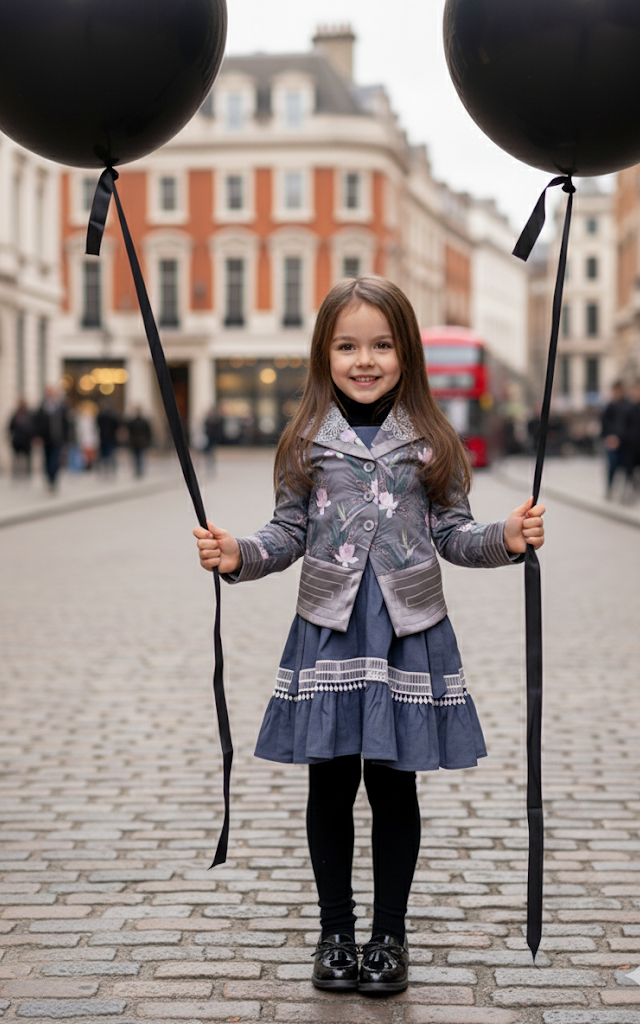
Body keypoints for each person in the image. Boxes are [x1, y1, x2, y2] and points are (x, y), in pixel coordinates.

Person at [193, 277, 545, 996]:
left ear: (405, 352)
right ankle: (334, 933)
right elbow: (287, 533)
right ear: (323, 354)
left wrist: (505, 538)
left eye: (381, 345)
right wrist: (239, 555)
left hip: (408, 633)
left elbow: (452, 534)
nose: (365, 359)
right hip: (328, 630)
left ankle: (388, 935)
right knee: (329, 786)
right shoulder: (304, 442)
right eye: (347, 345)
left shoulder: (431, 440)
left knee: (394, 787)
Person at [34, 385, 70, 492]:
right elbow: (37, 423)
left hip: (58, 439)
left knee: (55, 460)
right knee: (47, 459)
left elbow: (66, 424)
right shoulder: (42, 407)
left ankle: (54, 479)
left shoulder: (60, 407)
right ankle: (49, 478)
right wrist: (37, 436)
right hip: (46, 439)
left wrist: (66, 438)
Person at [601, 381, 630, 499]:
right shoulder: (609, 406)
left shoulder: (628, 405)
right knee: (612, 466)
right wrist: (609, 437)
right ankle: (610, 488)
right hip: (612, 442)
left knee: (626, 467)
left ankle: (625, 491)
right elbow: (605, 424)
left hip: (625, 443)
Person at [7, 397, 34, 477]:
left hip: (27, 440)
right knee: (16, 458)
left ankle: (28, 473)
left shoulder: (29, 414)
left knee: (28, 457)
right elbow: (10, 426)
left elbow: (32, 427)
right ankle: (16, 473)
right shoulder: (15, 414)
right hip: (17, 439)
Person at [126, 407, 153, 477]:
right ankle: (139, 469)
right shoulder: (143, 421)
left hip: (136, 441)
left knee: (137, 456)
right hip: (140, 441)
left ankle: (139, 469)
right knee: (140, 456)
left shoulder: (134, 421)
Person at [96, 401, 120, 475]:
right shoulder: (111, 415)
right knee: (110, 454)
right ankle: (110, 470)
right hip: (109, 438)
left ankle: (106, 470)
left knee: (105, 455)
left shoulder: (101, 415)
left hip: (104, 438)